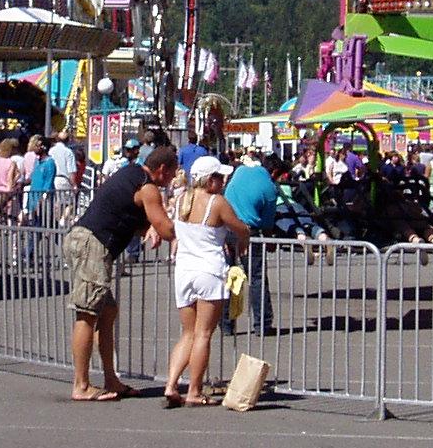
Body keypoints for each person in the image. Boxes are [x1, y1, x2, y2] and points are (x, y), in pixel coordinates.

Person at [62, 144, 177, 401]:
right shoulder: (147, 187)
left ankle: (111, 379)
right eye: (171, 175)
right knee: (88, 312)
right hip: (93, 243)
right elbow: (164, 225)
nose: (171, 181)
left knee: (107, 310)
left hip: (85, 240)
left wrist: (148, 228)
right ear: (162, 169)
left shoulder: (131, 173)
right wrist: (189, 236)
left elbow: (128, 213)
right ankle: (81, 385)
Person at [164, 156, 248, 407]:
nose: (223, 181)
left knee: (188, 333)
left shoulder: (180, 200)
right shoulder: (216, 202)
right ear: (210, 181)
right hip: (209, 271)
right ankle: (194, 390)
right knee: (203, 335)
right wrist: (244, 239)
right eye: (220, 177)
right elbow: (240, 228)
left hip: (184, 270)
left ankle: (170, 384)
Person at [223, 150, 279, 333]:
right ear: (274, 172)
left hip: (228, 228)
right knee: (257, 278)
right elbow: (268, 222)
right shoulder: (269, 188)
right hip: (249, 231)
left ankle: (226, 323)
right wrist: (269, 241)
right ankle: (262, 323)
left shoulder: (239, 172)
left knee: (231, 275)